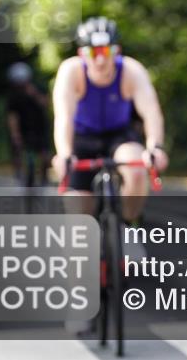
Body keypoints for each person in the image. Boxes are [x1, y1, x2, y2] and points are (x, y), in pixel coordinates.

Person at [51, 16, 168, 223]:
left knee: (138, 170)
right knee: (78, 213)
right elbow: (63, 117)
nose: (100, 59)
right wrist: (64, 154)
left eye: (106, 51)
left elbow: (151, 112)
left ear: (117, 51)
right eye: (92, 52)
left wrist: (155, 147)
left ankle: (128, 223)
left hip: (119, 136)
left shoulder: (132, 70)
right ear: (81, 53)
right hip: (82, 137)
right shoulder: (71, 71)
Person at [6, 62, 51, 187]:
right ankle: (20, 173)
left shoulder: (38, 88)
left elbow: (46, 104)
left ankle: (44, 177)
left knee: (45, 156)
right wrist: (15, 134)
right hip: (24, 129)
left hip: (40, 127)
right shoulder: (13, 95)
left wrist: (34, 94)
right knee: (21, 152)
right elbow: (12, 116)